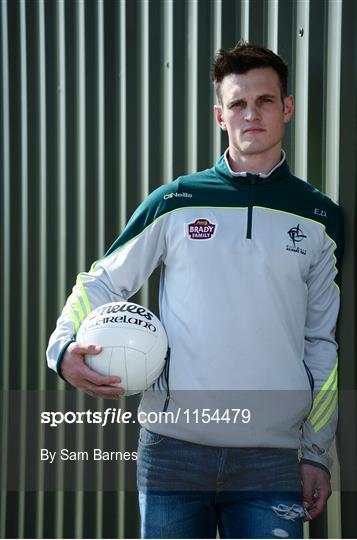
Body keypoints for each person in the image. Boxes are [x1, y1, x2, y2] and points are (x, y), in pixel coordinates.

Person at [47, 42, 343, 539]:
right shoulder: (176, 202)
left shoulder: (318, 217)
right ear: (219, 115)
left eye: (265, 101)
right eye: (238, 104)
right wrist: (62, 348)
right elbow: (100, 280)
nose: (251, 114)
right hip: (172, 455)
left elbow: (322, 346)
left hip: (271, 462)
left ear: (286, 108)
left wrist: (317, 452)